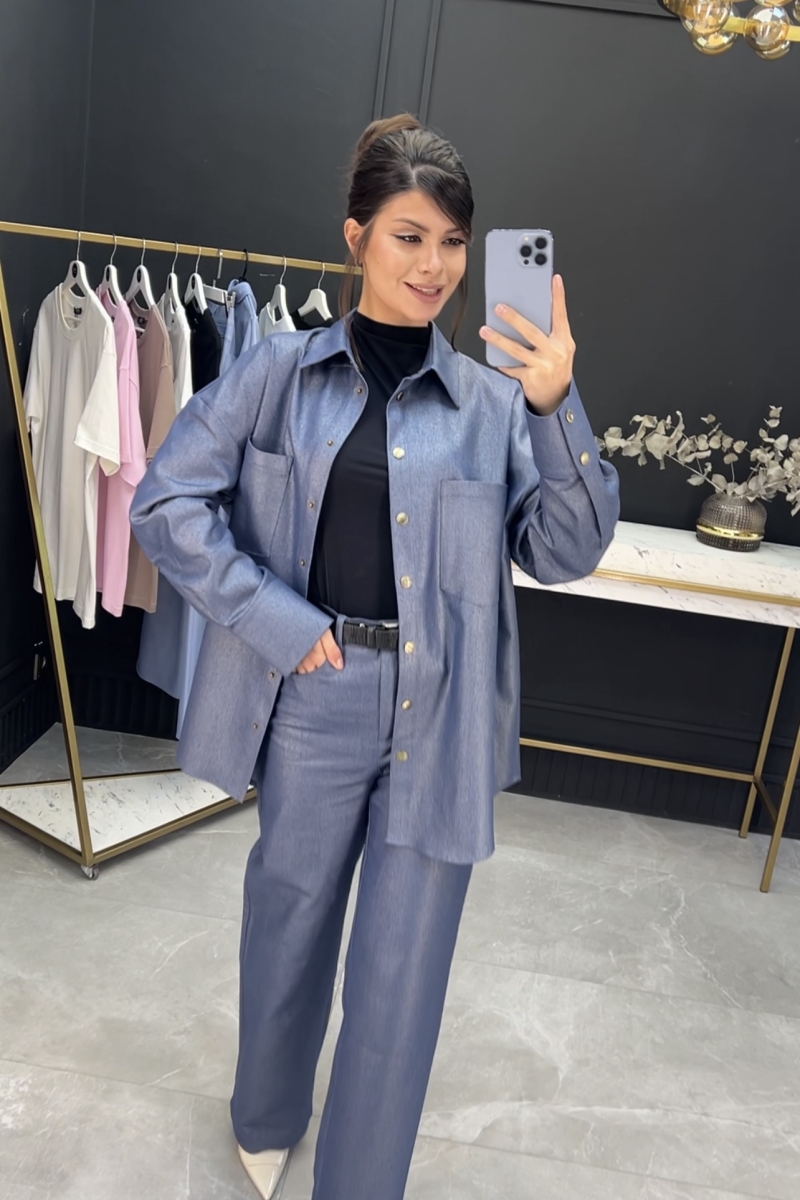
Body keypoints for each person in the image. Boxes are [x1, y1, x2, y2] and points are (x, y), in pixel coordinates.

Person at [130, 113, 619, 1200]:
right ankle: (266, 1112)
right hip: (317, 696)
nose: (433, 266)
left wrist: (556, 404)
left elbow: (567, 551)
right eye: (408, 237)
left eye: (451, 243)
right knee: (287, 922)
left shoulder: (496, 405)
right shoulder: (274, 372)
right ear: (355, 239)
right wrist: (276, 619)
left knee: (402, 975)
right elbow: (165, 503)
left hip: (442, 714)